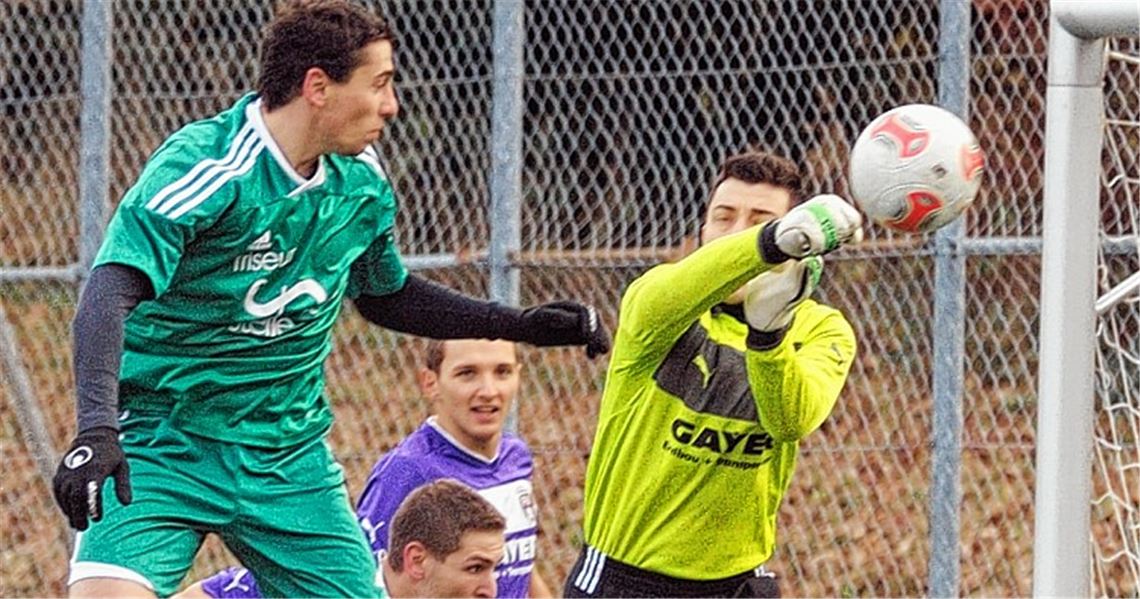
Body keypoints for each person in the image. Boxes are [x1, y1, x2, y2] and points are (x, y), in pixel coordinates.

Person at [50, 2, 609, 597]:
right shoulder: (208, 168)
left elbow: (387, 295)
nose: (391, 106)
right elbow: (107, 294)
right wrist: (97, 431)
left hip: (287, 456)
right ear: (318, 86)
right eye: (380, 83)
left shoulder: (360, 179)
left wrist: (520, 325)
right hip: (166, 443)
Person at [563, 150, 863, 598]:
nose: (736, 232)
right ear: (702, 231)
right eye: (723, 218)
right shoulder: (662, 298)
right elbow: (667, 296)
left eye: (760, 220)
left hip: (737, 584)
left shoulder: (822, 328)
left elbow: (790, 420)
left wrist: (769, 336)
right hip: (625, 580)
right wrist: (767, 243)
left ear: (806, 243)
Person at [185, 338, 553, 598]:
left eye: (502, 371)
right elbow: (347, 570)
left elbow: (518, 564)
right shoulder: (411, 472)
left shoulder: (515, 458)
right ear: (431, 382)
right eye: (467, 373)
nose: (488, 390)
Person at [187, 479, 508, 599]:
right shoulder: (329, 578)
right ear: (416, 560)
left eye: (494, 568)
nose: (491, 590)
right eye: (475, 568)